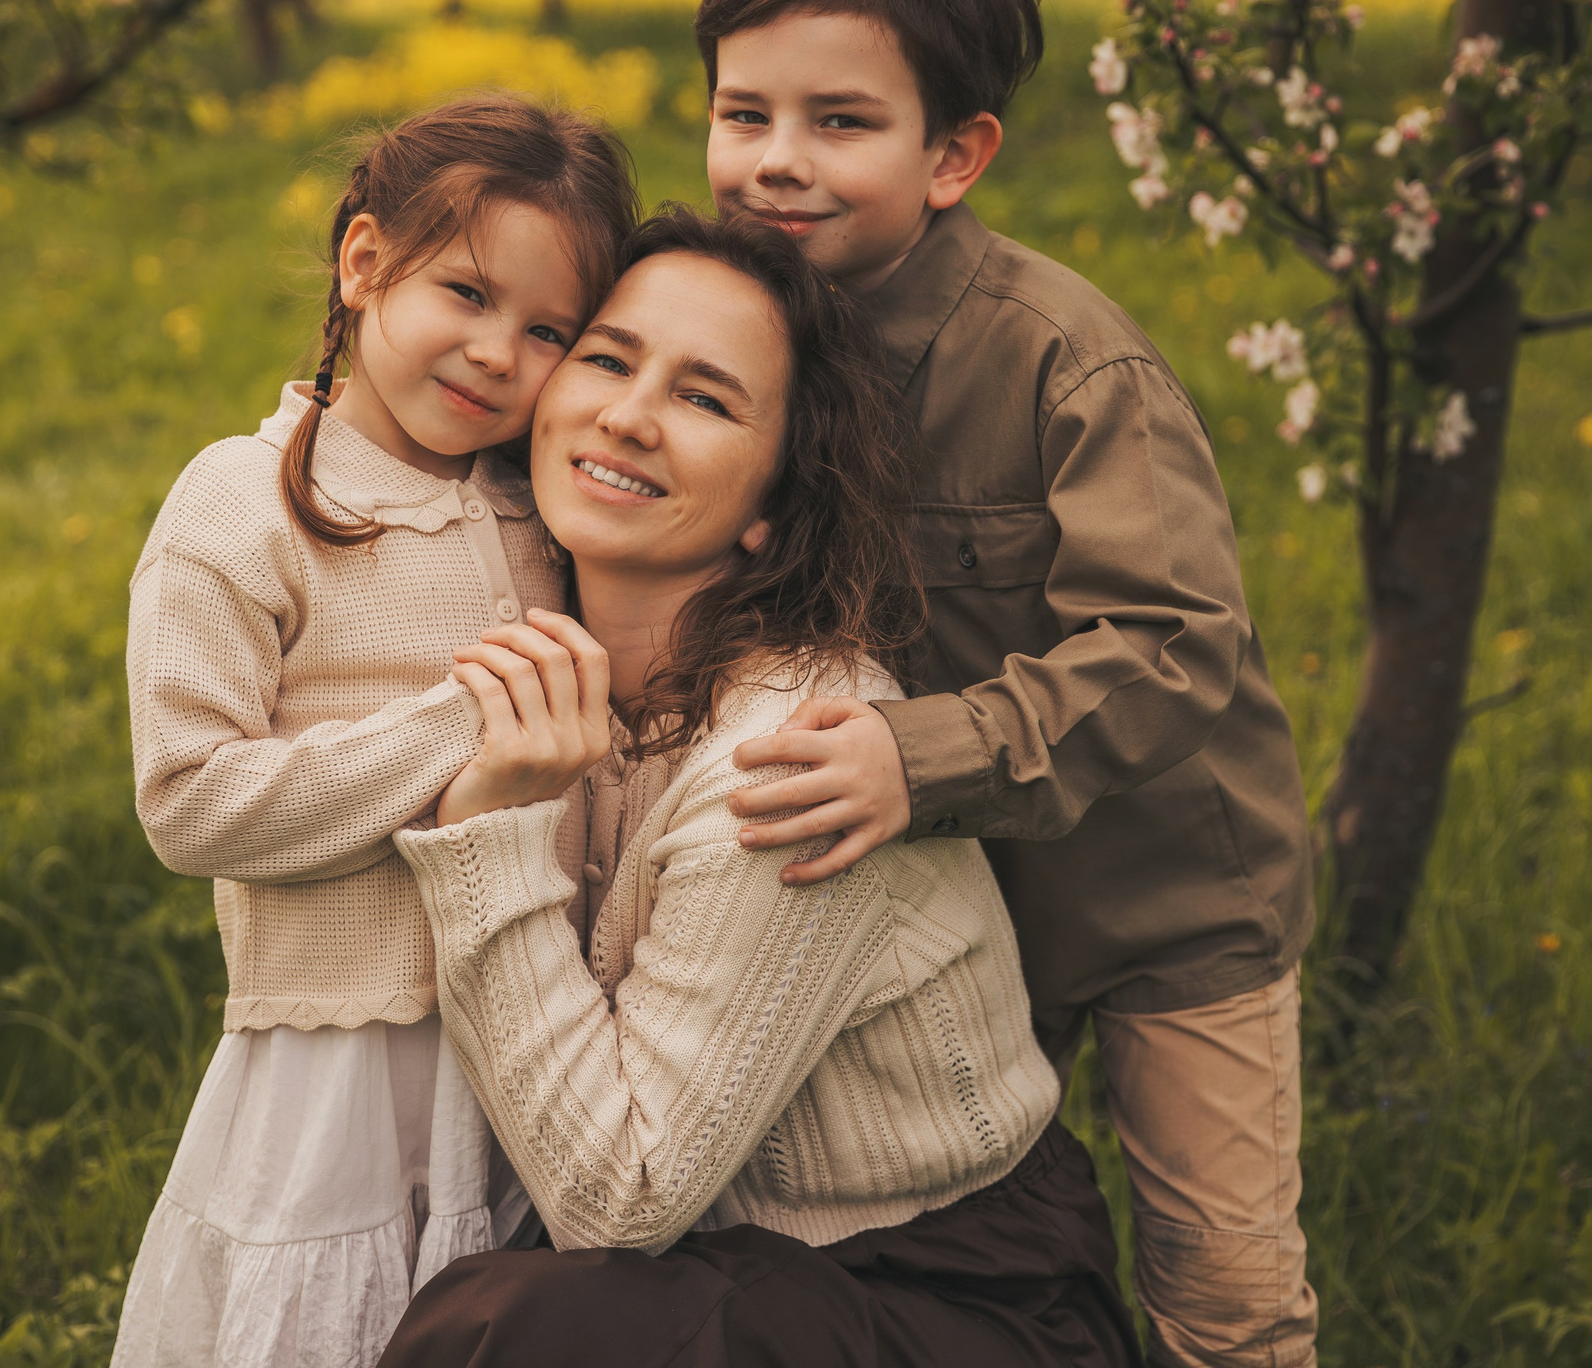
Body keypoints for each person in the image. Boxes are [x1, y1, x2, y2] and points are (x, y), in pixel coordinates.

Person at [696, 0, 1321, 1365]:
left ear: (956, 152)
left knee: (1223, 1292)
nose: (778, 163)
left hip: (1162, 903)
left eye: (842, 121)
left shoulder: (1064, 363)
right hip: (941, 919)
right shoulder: (729, 336)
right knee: (973, 1251)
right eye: (744, 113)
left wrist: (921, 755)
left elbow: (1172, 641)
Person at [381, 209, 1139, 1368]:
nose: (628, 417)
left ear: (773, 507)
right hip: (742, 1256)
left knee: (519, 1329)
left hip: (947, 1296)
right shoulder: (541, 654)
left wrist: (483, 833)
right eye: (608, 358)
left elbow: (617, 1203)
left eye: (706, 398)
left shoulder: (792, 752)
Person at [112, 96, 639, 1368]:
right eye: (464, 292)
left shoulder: (538, 504)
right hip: (341, 1053)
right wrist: (466, 726)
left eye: (548, 329)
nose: (497, 353)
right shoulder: (244, 503)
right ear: (363, 265)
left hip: (531, 1035)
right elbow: (190, 802)